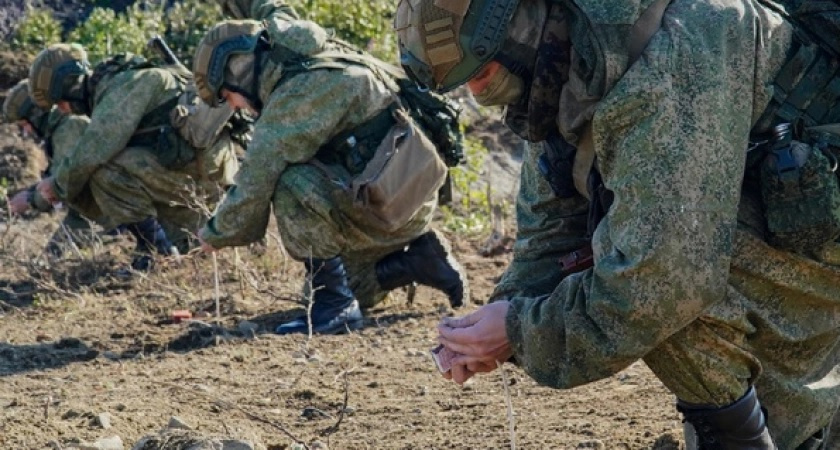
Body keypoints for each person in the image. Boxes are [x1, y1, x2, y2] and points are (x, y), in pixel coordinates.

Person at [396, 0, 840, 448]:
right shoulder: (563, 56)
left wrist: (519, 330)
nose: (477, 93)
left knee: (656, 288)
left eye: (481, 74)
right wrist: (498, 324)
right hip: (784, 241)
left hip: (818, 235)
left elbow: (665, 280)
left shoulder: (675, 45)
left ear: (517, 28)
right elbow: (550, 231)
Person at [192, 19, 468, 335]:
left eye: (228, 96)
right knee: (341, 289)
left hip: (387, 207)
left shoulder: (298, 93)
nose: (235, 106)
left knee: (290, 185)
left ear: (239, 72)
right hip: (407, 201)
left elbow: (256, 179)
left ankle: (337, 308)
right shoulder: (326, 58)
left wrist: (215, 232)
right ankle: (420, 260)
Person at [28, 43, 241, 271]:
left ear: (70, 86)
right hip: (200, 174)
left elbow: (94, 149)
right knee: (191, 250)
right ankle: (169, 247)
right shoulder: (124, 81)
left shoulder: (125, 85)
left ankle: (156, 251)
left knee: (104, 173)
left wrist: (57, 185)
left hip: (199, 174)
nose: (62, 110)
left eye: (59, 101)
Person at [3, 78, 107, 255]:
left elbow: (67, 183)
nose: (26, 132)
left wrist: (30, 200)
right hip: (99, 204)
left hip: (105, 208)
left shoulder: (69, 127)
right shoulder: (63, 124)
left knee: (53, 258)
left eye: (24, 125)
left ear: (36, 113)